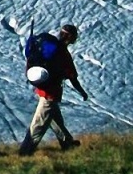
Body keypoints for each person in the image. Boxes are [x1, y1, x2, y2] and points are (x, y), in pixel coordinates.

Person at [19, 23, 88, 155]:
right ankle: (25, 152)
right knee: (38, 125)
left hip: (43, 89)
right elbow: (73, 77)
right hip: (51, 93)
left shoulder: (48, 46)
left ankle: (67, 143)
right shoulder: (63, 54)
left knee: (54, 119)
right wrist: (82, 92)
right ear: (70, 38)